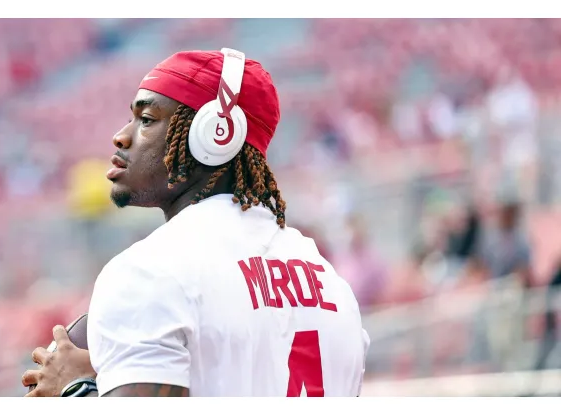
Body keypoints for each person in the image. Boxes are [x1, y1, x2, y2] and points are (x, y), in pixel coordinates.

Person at [22, 48, 370, 397]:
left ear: (215, 134)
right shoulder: (332, 282)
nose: (121, 136)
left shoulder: (150, 270)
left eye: (146, 119)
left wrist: (73, 389)